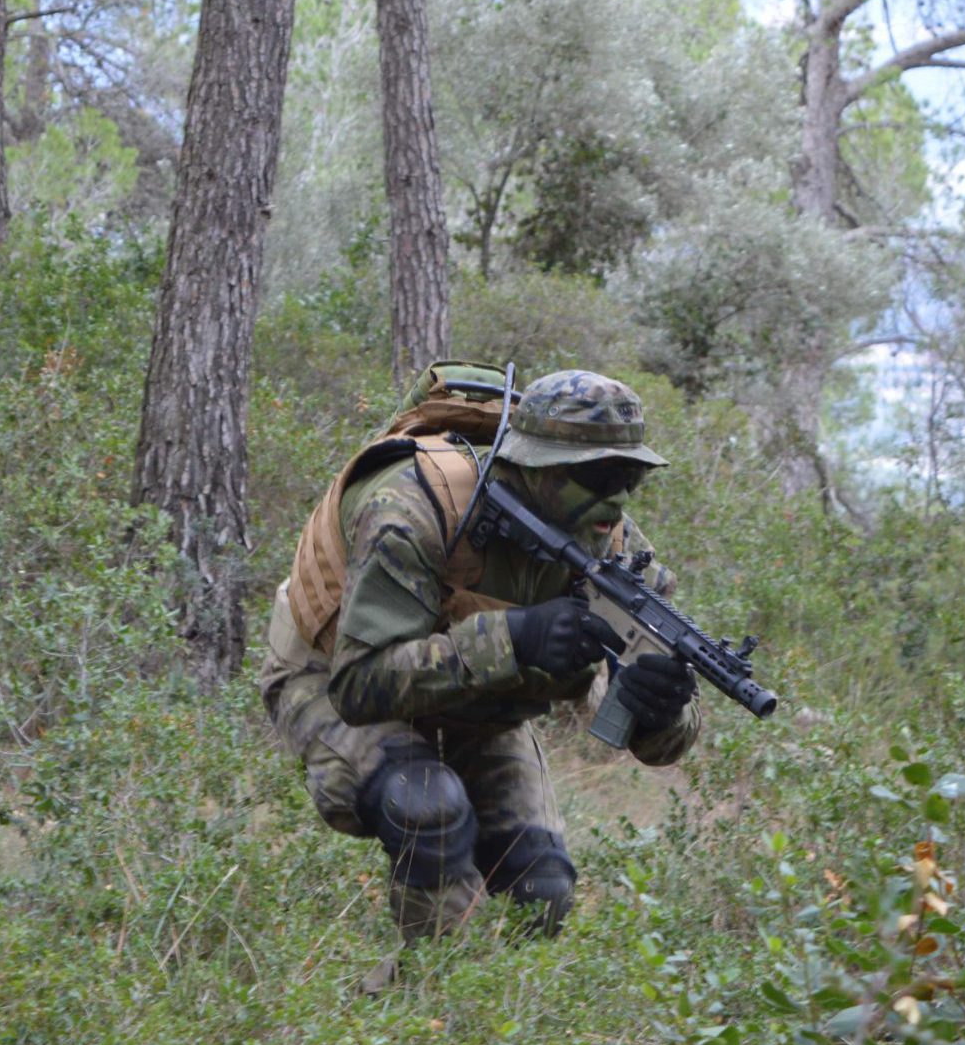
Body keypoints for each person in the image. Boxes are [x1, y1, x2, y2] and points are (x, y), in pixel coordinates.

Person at [255, 369, 702, 992]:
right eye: (599, 479)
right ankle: (423, 1023)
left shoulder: (617, 556)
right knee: (429, 808)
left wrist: (661, 709)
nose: (618, 502)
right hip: (329, 668)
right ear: (536, 468)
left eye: (631, 479)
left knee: (542, 890)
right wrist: (517, 638)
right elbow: (360, 684)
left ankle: (461, 1017)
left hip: (481, 698)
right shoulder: (409, 508)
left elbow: (653, 743)